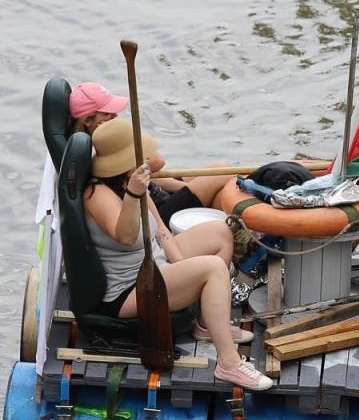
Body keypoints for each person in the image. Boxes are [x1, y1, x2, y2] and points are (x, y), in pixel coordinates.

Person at [84, 119, 272, 391]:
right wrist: (133, 194)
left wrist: (184, 266)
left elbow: (161, 232)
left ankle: (208, 324)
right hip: (128, 290)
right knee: (213, 269)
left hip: (155, 265)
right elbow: (124, 235)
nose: (147, 159)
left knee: (221, 232)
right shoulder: (96, 193)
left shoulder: (131, 180)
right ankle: (228, 364)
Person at [68, 80, 237, 229]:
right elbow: (155, 161)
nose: (115, 115)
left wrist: (178, 187)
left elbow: (148, 167)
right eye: (107, 113)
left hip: (155, 190)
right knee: (222, 172)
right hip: (154, 211)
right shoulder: (102, 154)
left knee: (220, 182)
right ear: (89, 120)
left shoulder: (105, 143)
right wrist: (182, 189)